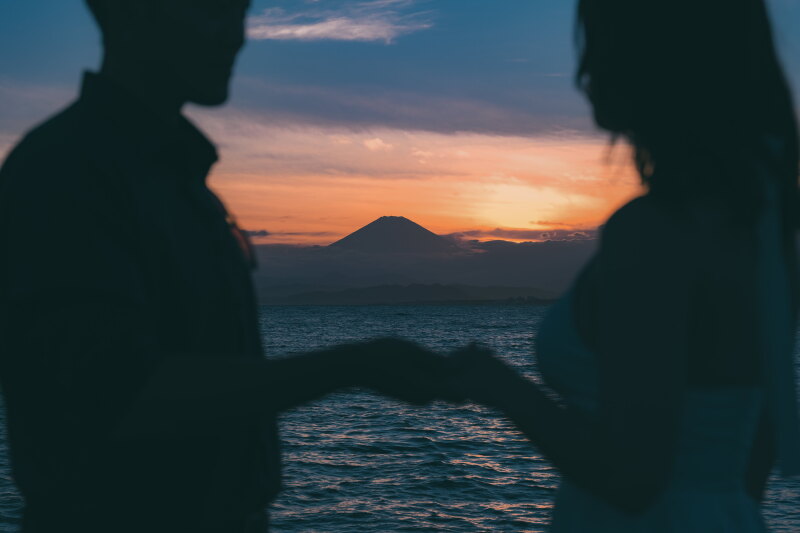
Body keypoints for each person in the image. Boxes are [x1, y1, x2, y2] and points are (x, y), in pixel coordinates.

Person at [0, 1, 447, 532]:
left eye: (239, 10)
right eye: (211, 10)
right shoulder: (66, 172)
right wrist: (353, 366)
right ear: (125, 13)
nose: (236, 35)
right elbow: (115, 395)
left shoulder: (174, 180)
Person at [442, 0, 800, 530]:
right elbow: (755, 452)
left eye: (601, 44)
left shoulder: (655, 231)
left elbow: (633, 480)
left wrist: (497, 385)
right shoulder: (766, 230)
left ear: (661, 59)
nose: (585, 73)